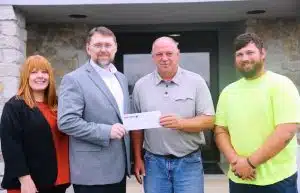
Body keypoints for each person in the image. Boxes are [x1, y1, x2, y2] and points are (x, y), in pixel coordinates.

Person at [214, 32, 300, 193]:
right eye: (239, 54)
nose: (244, 58)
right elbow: (220, 131)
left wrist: (250, 164)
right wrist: (236, 162)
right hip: (238, 178)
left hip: (277, 180)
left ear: (262, 53)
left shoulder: (282, 85)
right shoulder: (228, 92)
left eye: (250, 52)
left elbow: (286, 132)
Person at [131, 36, 215, 193]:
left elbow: (209, 121)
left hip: (189, 162)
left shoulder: (196, 82)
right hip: (154, 163)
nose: (164, 58)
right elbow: (137, 128)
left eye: (169, 53)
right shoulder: (141, 86)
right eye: (159, 54)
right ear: (153, 57)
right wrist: (137, 158)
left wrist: (181, 123)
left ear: (178, 55)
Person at [58, 26, 130, 193]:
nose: (103, 50)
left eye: (108, 45)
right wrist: (107, 131)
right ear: (88, 48)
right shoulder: (74, 79)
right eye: (98, 45)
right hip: (91, 174)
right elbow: (67, 122)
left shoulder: (121, 78)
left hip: (118, 170)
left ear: (115, 48)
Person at [0, 55, 70, 193]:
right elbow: (11, 146)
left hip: (59, 181)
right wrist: (25, 180)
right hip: (30, 184)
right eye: (34, 72)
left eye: (44, 72)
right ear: (26, 76)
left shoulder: (59, 104)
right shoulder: (15, 106)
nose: (40, 76)